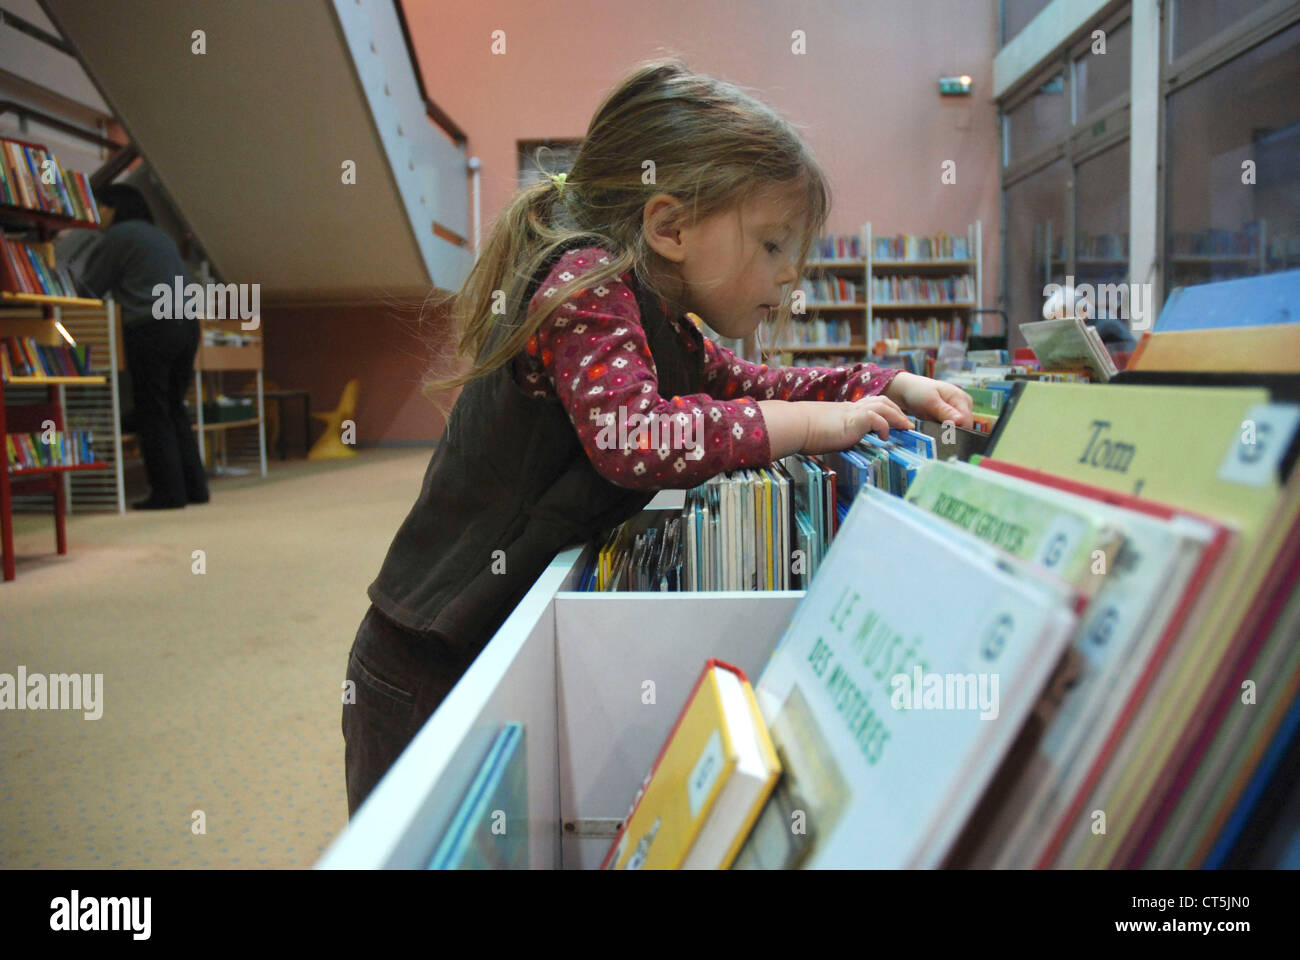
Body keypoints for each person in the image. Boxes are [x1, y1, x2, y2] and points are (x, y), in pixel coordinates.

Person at [341, 59, 974, 817]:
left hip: (496, 642)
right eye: (773, 245)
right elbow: (636, 437)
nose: (792, 272)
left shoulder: (668, 323)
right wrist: (812, 425)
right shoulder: (586, 284)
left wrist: (880, 383)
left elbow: (756, 386)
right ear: (669, 227)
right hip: (425, 660)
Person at [74, 183, 209, 509]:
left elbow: (89, 290)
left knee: (152, 411)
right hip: (187, 326)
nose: (97, 215)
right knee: (174, 407)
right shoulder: (159, 236)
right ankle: (195, 488)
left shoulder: (119, 238)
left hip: (151, 327)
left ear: (114, 208)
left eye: (101, 207)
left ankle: (168, 493)